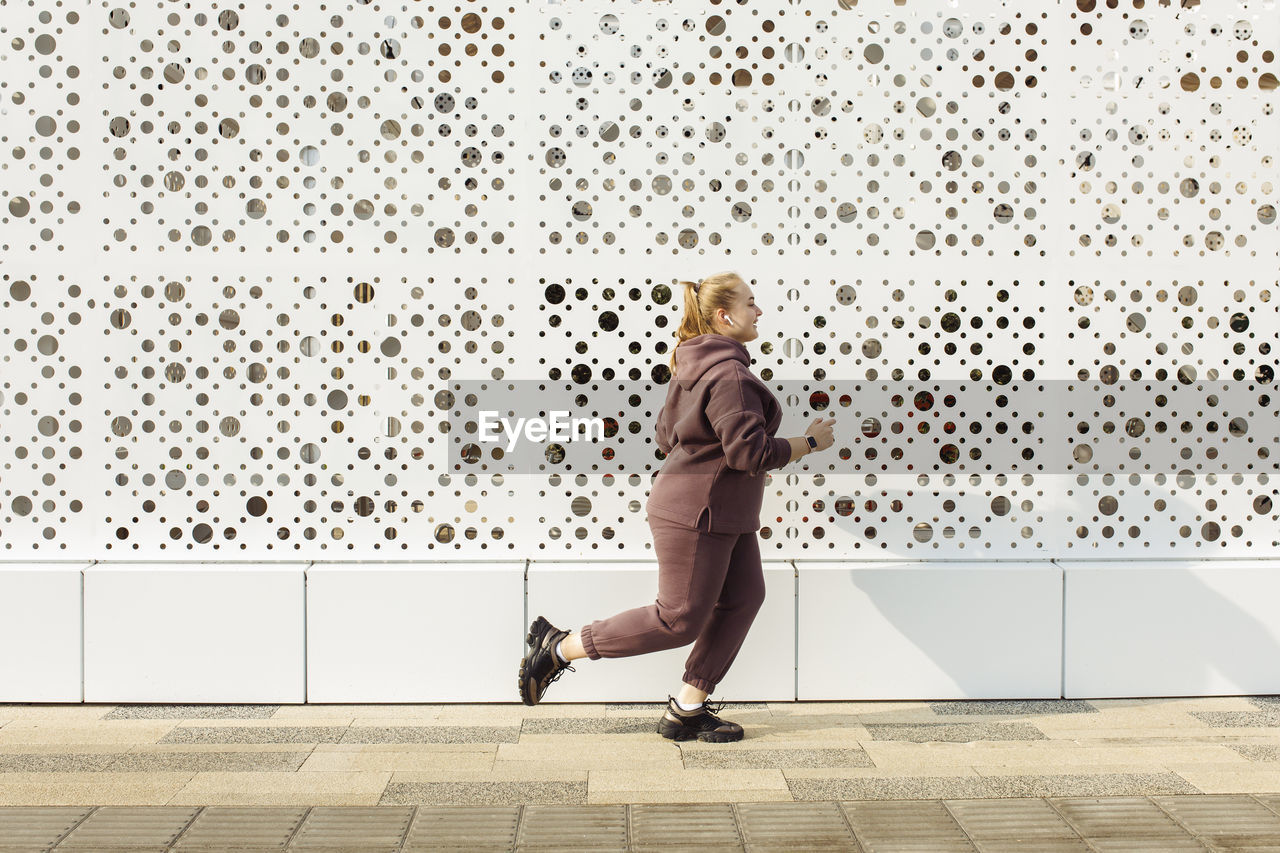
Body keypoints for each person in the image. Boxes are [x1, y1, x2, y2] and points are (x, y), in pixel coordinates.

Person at [517, 272, 837, 742]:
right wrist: (808, 442)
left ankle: (688, 709)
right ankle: (559, 648)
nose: (760, 311)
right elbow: (748, 453)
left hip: (720, 510)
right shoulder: (730, 374)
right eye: (752, 303)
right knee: (678, 618)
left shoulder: (693, 366)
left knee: (745, 597)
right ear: (724, 316)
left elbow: (666, 436)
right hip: (700, 512)